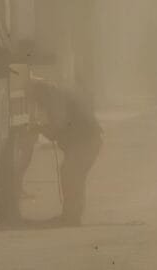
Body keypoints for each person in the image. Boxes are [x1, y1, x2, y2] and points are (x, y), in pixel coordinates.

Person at [28, 80, 103, 226]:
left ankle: (71, 217)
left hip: (85, 141)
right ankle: (71, 215)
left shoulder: (56, 98)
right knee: (73, 175)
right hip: (87, 140)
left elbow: (58, 126)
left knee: (71, 174)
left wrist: (39, 129)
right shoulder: (59, 94)